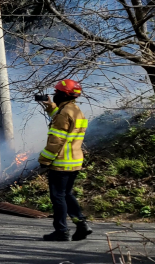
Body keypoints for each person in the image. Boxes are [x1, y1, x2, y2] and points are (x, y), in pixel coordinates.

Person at [38, 79, 92, 242]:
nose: (54, 95)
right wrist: (52, 108)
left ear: (64, 94)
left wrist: (44, 160)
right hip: (74, 162)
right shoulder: (76, 111)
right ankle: (81, 225)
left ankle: (62, 231)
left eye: (57, 93)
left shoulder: (64, 113)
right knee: (67, 194)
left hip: (61, 162)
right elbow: (66, 123)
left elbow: (56, 141)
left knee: (58, 197)